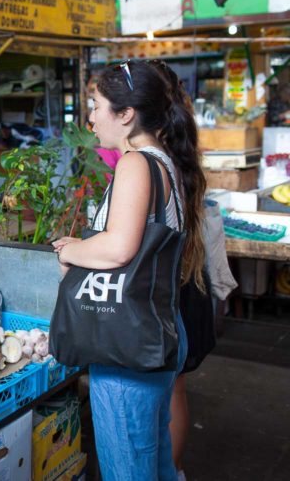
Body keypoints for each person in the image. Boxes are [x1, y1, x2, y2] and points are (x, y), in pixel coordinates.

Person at [52, 60, 207, 481]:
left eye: (97, 105)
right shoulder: (166, 160)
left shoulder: (137, 163)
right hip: (155, 328)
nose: (90, 116)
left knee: (129, 471)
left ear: (126, 114)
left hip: (126, 341)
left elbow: (120, 247)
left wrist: (73, 249)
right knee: (154, 463)